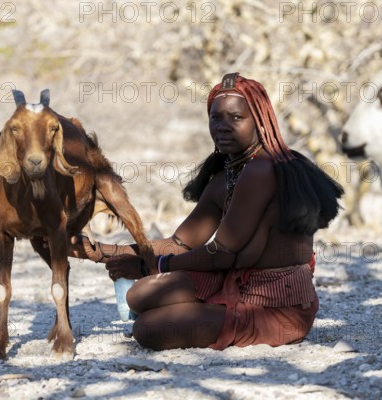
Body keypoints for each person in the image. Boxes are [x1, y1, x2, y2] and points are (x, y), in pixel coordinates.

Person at [70, 73, 344, 351]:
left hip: (276, 306)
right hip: (235, 283)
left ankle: (204, 318)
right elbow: (178, 244)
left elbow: (220, 254)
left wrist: (148, 266)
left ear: (260, 121)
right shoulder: (227, 175)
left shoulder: (262, 170)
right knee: (139, 294)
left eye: (236, 118)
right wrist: (100, 251)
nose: (223, 126)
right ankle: (198, 313)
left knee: (148, 328)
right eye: (216, 118)